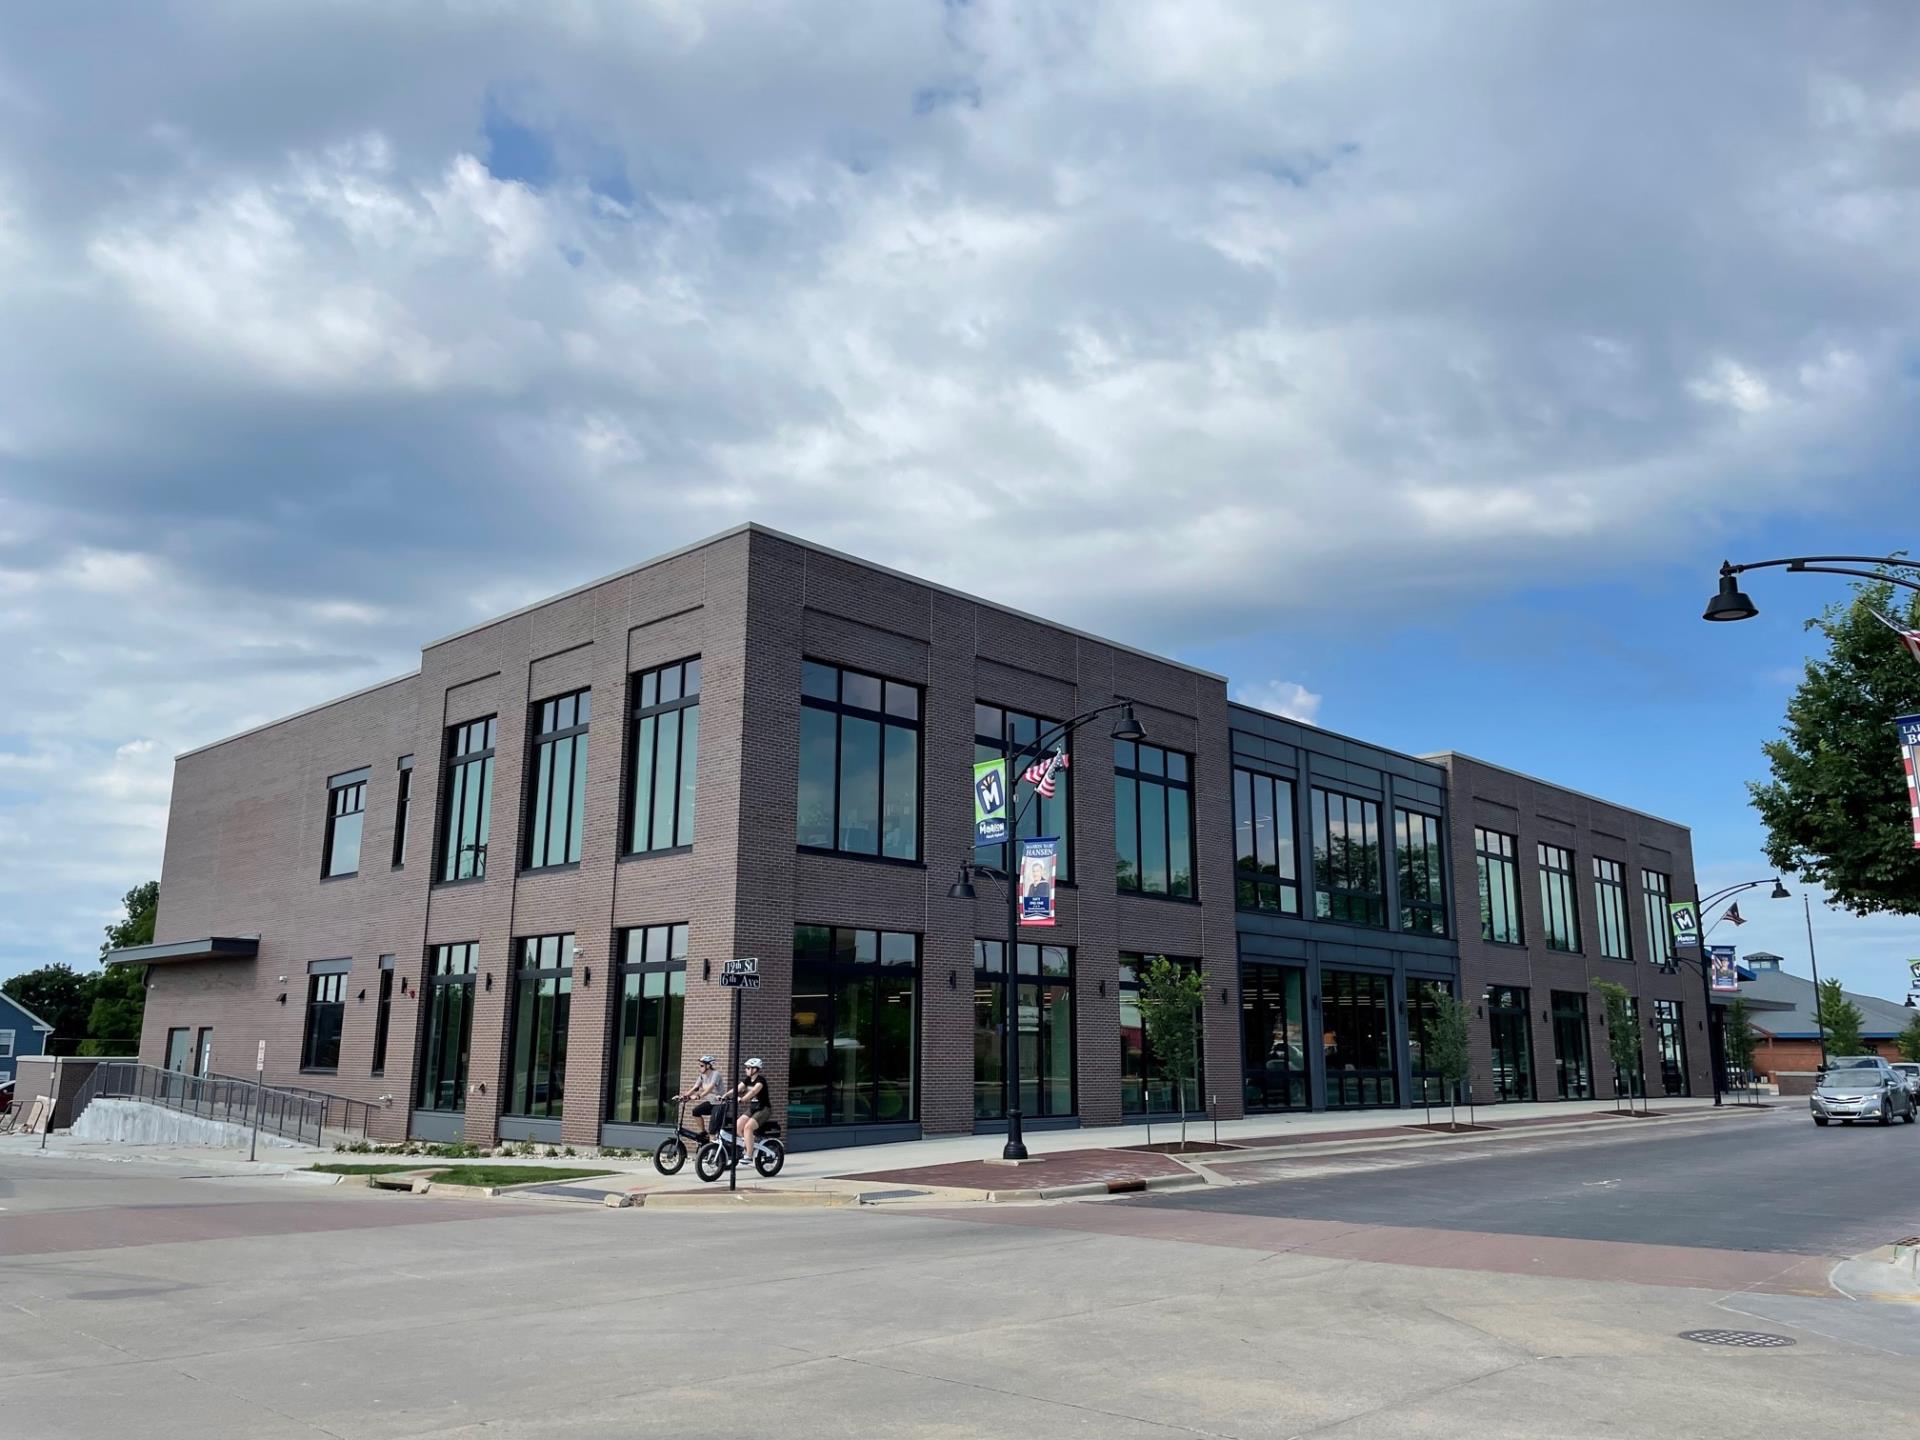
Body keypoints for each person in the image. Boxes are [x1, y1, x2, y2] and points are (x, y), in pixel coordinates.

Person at [672, 1056, 724, 1136]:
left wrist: (699, 1096)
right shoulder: (702, 1076)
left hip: (719, 1104)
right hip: (711, 1103)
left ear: (708, 1066)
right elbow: (694, 1088)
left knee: (712, 1129)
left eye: (701, 1066)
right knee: (696, 1111)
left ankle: (712, 1146)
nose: (699, 1067)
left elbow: (710, 1088)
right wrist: (683, 1096)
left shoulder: (715, 1074)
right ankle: (703, 1132)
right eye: (699, 1065)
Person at [735, 1057, 773, 1161]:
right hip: (753, 1108)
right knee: (738, 1126)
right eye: (746, 1068)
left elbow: (753, 1092)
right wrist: (724, 1096)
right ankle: (749, 1142)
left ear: (755, 1069)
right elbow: (737, 1089)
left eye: (748, 1068)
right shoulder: (747, 1080)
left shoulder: (761, 1081)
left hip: (763, 1109)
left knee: (748, 1127)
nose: (746, 1069)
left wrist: (743, 1099)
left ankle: (749, 1154)